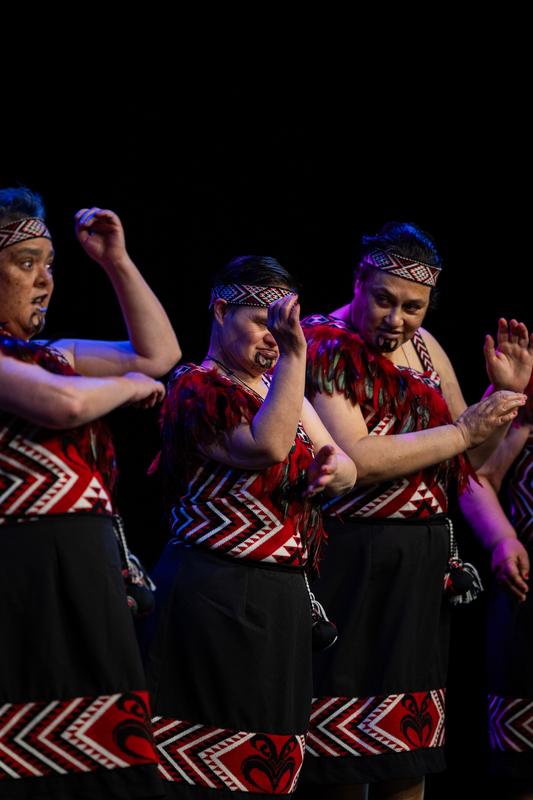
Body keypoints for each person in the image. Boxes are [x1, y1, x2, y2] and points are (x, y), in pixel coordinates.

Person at [298, 222, 531, 800]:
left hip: (420, 563)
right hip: (349, 553)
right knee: (343, 748)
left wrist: (498, 400)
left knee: (409, 741)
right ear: (358, 281)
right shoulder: (322, 342)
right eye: (382, 299)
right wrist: (466, 425)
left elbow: (465, 460)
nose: (396, 319)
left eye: (413, 306)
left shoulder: (425, 348)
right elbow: (362, 458)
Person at [141, 255, 357, 798]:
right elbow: (266, 444)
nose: (276, 338)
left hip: (278, 599)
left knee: (268, 762)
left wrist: (334, 470)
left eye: (287, 325)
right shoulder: (194, 387)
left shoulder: (284, 393)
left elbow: (346, 464)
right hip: (212, 591)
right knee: (204, 767)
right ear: (220, 310)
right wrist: (296, 353)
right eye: (264, 321)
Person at [0, 187, 181, 799]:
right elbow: (64, 403)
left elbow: (159, 354)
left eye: (49, 264)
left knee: (102, 762)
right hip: (19, 574)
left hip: (81, 569)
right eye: (26, 263)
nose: (45, 281)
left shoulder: (54, 353)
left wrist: (115, 262)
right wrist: (127, 388)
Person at [461, 368, 533, 799]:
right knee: (523, 767)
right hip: (527, 592)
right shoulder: (528, 409)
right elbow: (476, 476)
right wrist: (502, 538)